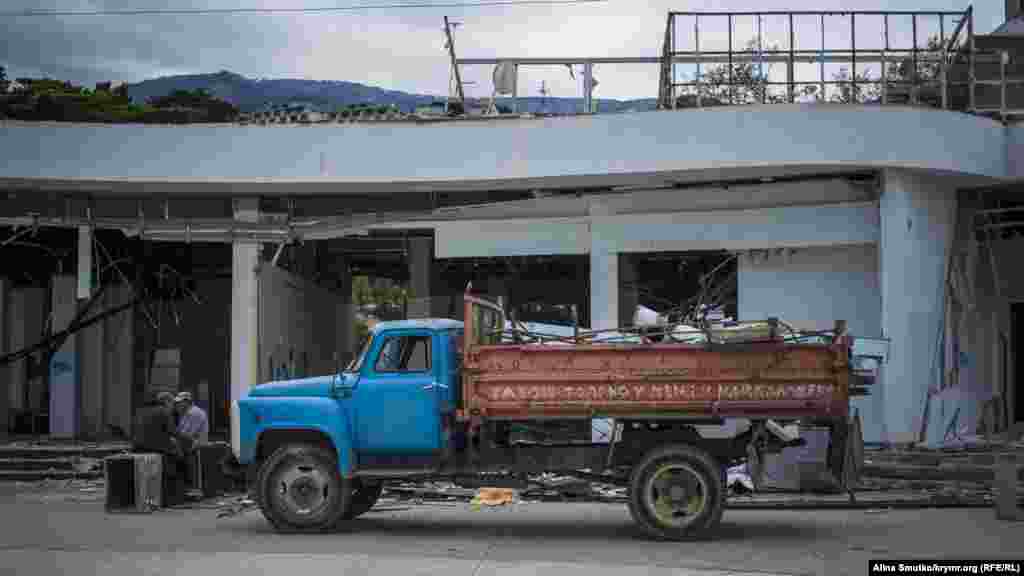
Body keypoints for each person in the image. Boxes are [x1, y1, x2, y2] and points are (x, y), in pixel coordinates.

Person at [132, 391, 184, 507]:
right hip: (156, 448)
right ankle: (171, 498)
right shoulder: (163, 411)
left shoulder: (141, 411)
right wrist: (189, 440)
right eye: (172, 403)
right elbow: (173, 432)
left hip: (137, 448)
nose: (173, 407)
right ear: (166, 402)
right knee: (179, 458)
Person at [174, 391, 209, 498]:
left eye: (179, 403)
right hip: (189, 443)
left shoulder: (194, 413)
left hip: (195, 445)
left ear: (187, 402)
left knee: (190, 464)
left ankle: (195, 490)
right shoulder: (186, 413)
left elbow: (187, 433)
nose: (177, 405)